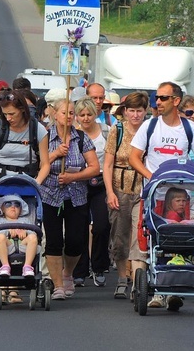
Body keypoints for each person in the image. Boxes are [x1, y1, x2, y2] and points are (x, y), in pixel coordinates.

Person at [129, 82, 194, 310]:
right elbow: (134, 157)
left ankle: (176, 289)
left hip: (178, 195)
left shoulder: (190, 129)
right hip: (155, 194)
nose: (158, 102)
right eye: (157, 97)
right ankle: (157, 291)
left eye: (163, 98)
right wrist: (153, 177)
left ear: (176, 101)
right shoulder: (150, 126)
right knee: (155, 240)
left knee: (181, 237)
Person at [0, 90, 50, 292]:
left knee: (35, 227)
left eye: (12, 114)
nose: (8, 118)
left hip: (29, 184)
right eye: (5, 114)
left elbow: (45, 163)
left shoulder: (36, 129)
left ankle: (32, 269)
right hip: (3, 183)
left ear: (22, 110)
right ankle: (1, 273)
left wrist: (36, 184)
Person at [42, 98, 100, 300]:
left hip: (76, 195)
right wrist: (56, 154)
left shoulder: (81, 138)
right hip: (51, 195)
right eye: (64, 112)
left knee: (76, 241)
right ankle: (58, 284)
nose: (69, 116)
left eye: (71, 113)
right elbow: (38, 164)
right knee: (54, 241)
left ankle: (68, 273)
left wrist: (73, 177)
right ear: (55, 114)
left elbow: (94, 168)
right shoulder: (45, 137)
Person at [103, 91, 148, 300]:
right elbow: (108, 163)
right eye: (132, 111)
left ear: (145, 112)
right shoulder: (117, 130)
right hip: (119, 189)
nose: (136, 115)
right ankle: (122, 278)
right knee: (119, 237)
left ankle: (138, 282)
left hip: (142, 188)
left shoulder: (150, 130)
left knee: (139, 238)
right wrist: (110, 192)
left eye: (139, 111)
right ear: (125, 111)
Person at [72, 97, 110, 288]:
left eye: (89, 114)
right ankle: (79, 270)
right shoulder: (72, 135)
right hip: (78, 183)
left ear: (96, 115)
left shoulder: (106, 132)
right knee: (79, 226)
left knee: (101, 226)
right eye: (82, 115)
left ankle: (99, 266)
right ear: (76, 116)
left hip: (102, 182)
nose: (86, 118)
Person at [0, 194, 38, 279]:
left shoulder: (25, 221)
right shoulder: (0, 221)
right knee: (0, 237)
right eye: (8, 204)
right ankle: (5, 266)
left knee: (33, 237)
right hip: (7, 245)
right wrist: (8, 232)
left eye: (17, 204)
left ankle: (27, 266)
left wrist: (26, 232)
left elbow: (34, 232)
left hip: (23, 245)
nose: (13, 207)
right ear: (2, 208)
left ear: (21, 210)